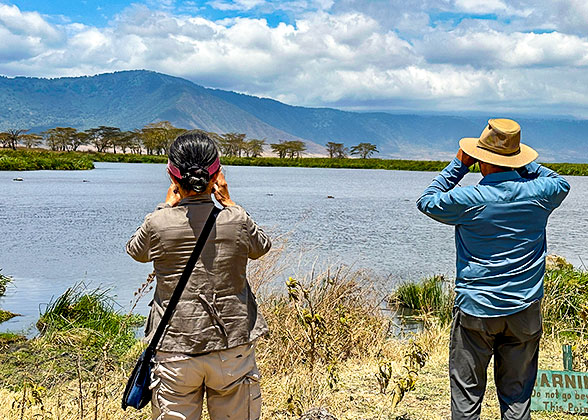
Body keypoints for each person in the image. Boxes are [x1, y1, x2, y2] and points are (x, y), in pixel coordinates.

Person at [416, 119, 570, 420]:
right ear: (516, 158)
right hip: (524, 310)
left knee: (467, 396)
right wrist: (523, 165)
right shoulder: (540, 194)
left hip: (477, 310)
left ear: (481, 161)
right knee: (517, 398)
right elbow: (561, 182)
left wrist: (458, 165)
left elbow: (427, 201)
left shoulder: (468, 198)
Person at [127, 130, 271, 420]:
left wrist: (166, 206)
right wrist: (230, 203)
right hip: (232, 347)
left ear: (173, 176)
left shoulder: (158, 222)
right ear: (217, 176)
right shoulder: (236, 219)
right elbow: (261, 247)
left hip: (175, 349)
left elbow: (136, 251)